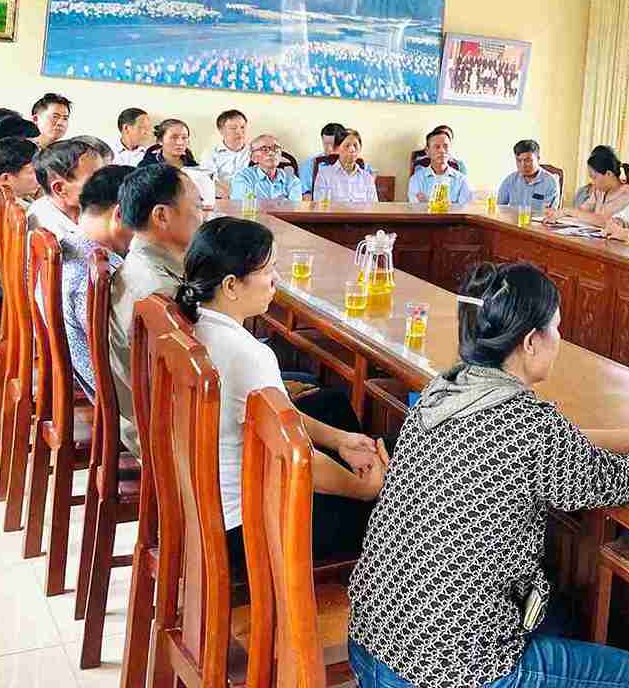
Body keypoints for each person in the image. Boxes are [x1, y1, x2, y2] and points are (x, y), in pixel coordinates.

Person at [345, 262, 629, 688]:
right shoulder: (528, 424)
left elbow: (559, 445)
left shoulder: (446, 388)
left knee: (562, 617)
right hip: (445, 672)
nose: (561, 340)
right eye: (557, 328)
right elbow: (612, 479)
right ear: (531, 341)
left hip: (370, 643)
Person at [175, 217, 387, 577]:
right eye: (268, 269)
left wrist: (341, 440)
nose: (277, 279)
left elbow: (278, 412)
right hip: (248, 531)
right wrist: (364, 490)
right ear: (231, 285)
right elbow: (297, 459)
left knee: (332, 404)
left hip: (203, 504)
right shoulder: (248, 355)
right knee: (385, 511)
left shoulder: (195, 323)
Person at [109, 163, 204, 455]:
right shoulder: (160, 293)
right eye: (198, 206)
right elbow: (192, 384)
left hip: (144, 420)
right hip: (167, 438)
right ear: (161, 215)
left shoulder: (138, 264)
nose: (203, 216)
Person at [57, 164, 135, 395]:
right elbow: (130, 358)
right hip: (117, 398)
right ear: (119, 214)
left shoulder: (70, 242)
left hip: (89, 377)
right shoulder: (101, 273)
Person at [0, 136, 40, 318]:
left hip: (9, 288)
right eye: (34, 171)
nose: (41, 176)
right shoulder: (18, 213)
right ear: (6, 178)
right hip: (21, 299)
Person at [28, 138, 105, 241]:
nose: (105, 183)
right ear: (59, 189)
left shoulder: (48, 205)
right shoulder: (60, 238)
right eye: (94, 180)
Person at [547, 145, 629, 227]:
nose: (592, 182)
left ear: (609, 174)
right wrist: (558, 213)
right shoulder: (599, 191)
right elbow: (582, 210)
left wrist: (569, 211)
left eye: (594, 177)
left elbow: (604, 220)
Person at [229, 134, 305, 203]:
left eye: (276, 148)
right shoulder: (243, 178)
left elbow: (294, 210)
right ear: (254, 158)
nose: (272, 153)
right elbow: (244, 206)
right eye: (264, 149)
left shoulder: (292, 180)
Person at [409, 126, 472, 206]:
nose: (442, 151)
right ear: (427, 151)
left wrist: (428, 201)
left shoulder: (462, 180)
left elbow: (464, 210)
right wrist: (451, 204)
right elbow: (416, 208)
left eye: (446, 146)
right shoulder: (416, 179)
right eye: (437, 147)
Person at [313, 128, 379, 204]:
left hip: (360, 216)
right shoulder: (324, 175)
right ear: (337, 148)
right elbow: (319, 207)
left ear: (360, 148)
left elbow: (374, 208)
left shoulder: (367, 178)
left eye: (355, 145)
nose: (352, 149)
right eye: (347, 146)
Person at [496, 140, 560, 212]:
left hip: (538, 222)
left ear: (538, 159)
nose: (523, 165)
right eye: (519, 160)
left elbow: (550, 215)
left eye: (528, 160)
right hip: (511, 221)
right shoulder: (510, 180)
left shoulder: (550, 183)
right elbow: (499, 208)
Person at [201, 109, 251, 185]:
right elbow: (209, 181)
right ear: (221, 131)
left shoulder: (254, 151)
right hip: (221, 195)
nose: (239, 132)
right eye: (233, 128)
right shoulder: (210, 154)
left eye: (242, 127)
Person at [300, 122, 346, 197]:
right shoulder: (309, 166)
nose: (330, 149)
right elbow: (306, 196)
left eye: (334, 144)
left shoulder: (356, 164)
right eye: (326, 144)